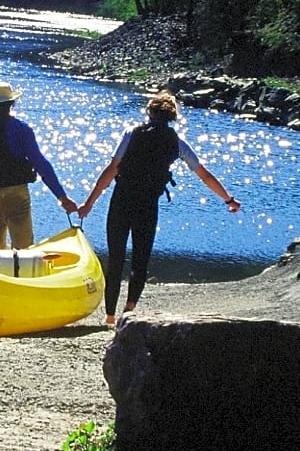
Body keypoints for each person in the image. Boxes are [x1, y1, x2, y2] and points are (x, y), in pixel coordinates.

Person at [78, 91, 241, 325]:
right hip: (147, 205)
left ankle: (109, 316)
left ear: (150, 112)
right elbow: (204, 175)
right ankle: (129, 310)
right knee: (140, 260)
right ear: (172, 116)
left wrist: (89, 203)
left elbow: (112, 168)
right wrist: (228, 199)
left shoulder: (132, 133)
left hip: (121, 200)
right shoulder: (177, 142)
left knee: (116, 259)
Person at [0, 81, 78, 252]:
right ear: (11, 104)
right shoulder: (21, 129)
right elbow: (40, 164)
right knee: (24, 250)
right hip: (17, 195)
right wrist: (62, 197)